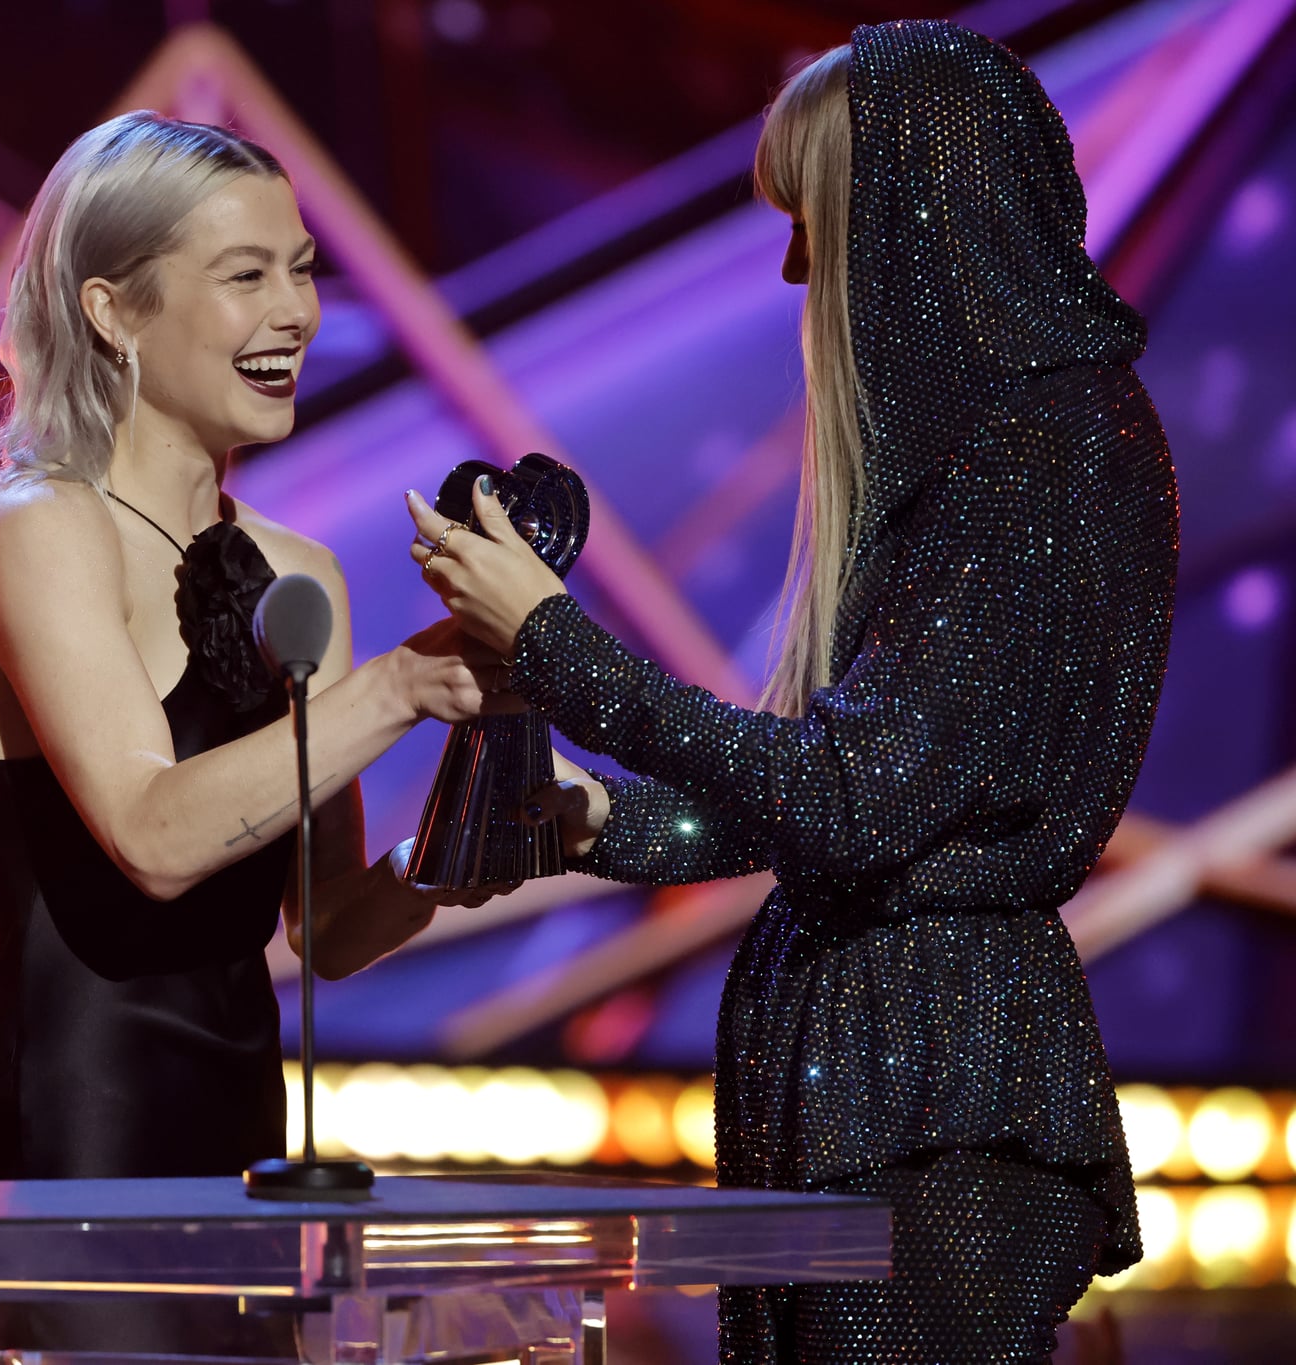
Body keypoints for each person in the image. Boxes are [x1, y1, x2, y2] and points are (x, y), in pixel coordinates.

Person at [407, 22, 1172, 1362]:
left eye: (814, 220)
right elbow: (849, 813)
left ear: (910, 221)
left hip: (937, 1085)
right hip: (890, 1076)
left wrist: (554, 643)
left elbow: (854, 803)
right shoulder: (1002, 451)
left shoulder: (1037, 452)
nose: (793, 266)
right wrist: (604, 823)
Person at [0, 111, 504, 1359]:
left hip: (245, 1156)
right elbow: (150, 836)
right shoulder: (38, 531)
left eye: (301, 267)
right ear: (113, 311)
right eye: (244, 275)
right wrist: (404, 686)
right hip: (70, 1147)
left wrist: (467, 838)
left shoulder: (298, 574)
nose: (293, 310)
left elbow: (328, 927)